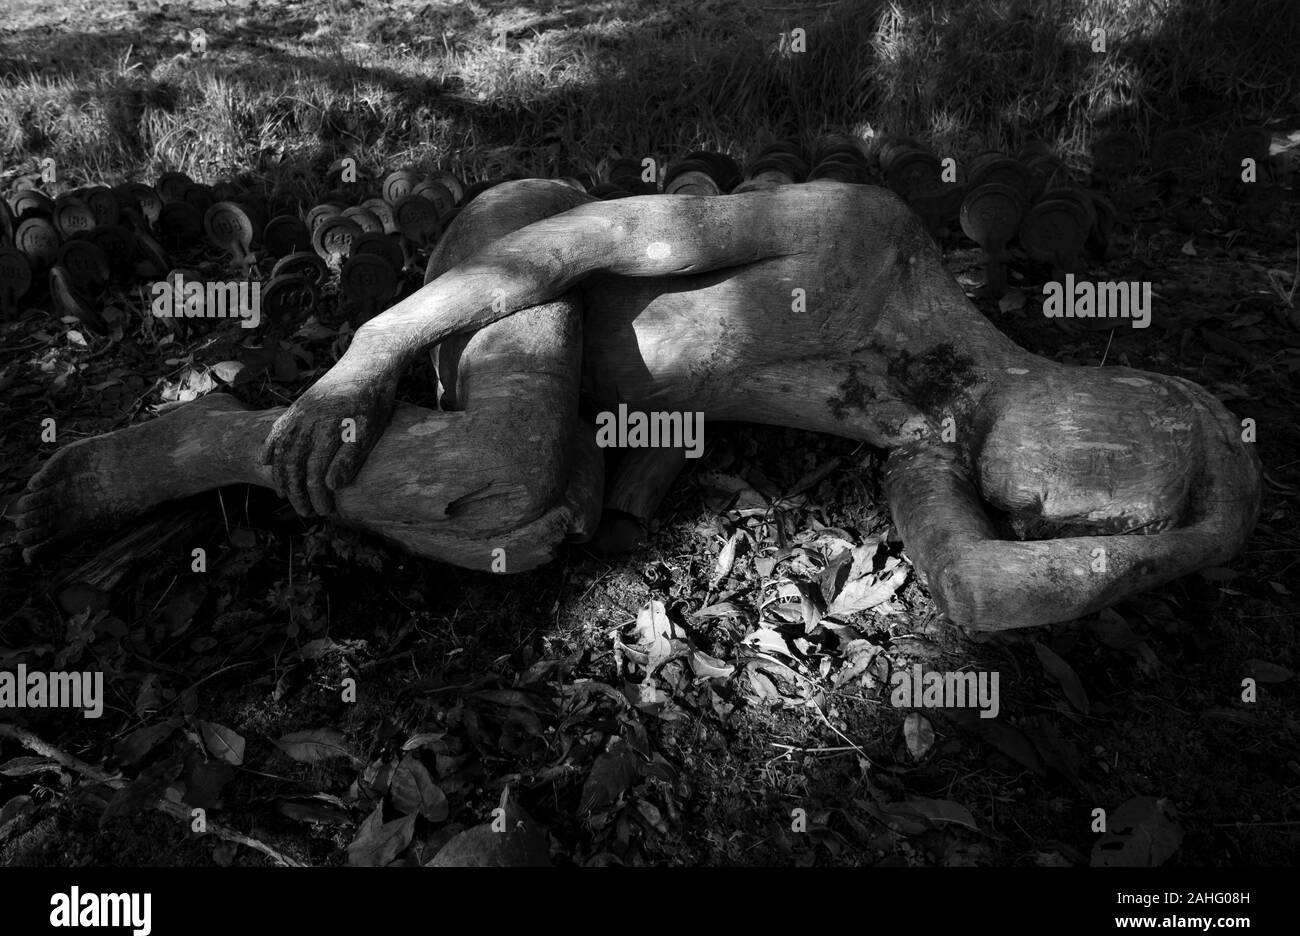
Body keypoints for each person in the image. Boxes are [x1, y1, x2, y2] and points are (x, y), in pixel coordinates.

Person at [11, 179, 1260, 629]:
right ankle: (211, 442)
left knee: (526, 531)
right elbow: (580, 237)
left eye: (1055, 525)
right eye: (1078, 489)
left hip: (577, 401)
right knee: (510, 483)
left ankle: (470, 505)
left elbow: (984, 595)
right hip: (512, 268)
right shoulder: (866, 242)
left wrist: (1186, 541)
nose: (1036, 519)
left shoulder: (932, 444)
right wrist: (362, 356)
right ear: (1106, 384)